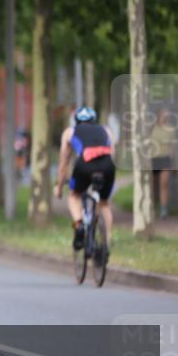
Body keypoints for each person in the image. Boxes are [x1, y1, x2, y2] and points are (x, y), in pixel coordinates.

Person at [54, 106, 116, 252]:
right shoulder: (106, 129)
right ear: (94, 120)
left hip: (85, 164)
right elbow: (113, 151)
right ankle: (107, 242)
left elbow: (64, 163)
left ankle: (79, 225)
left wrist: (59, 185)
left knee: (74, 196)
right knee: (104, 204)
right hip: (107, 165)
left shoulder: (70, 132)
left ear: (76, 120)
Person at [150, 107, 176, 219]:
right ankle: (151, 207)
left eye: (167, 115)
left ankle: (163, 209)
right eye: (163, 115)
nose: (165, 117)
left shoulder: (171, 129)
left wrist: (174, 164)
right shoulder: (152, 128)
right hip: (153, 159)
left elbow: (173, 147)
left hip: (165, 159)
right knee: (151, 186)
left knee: (163, 185)